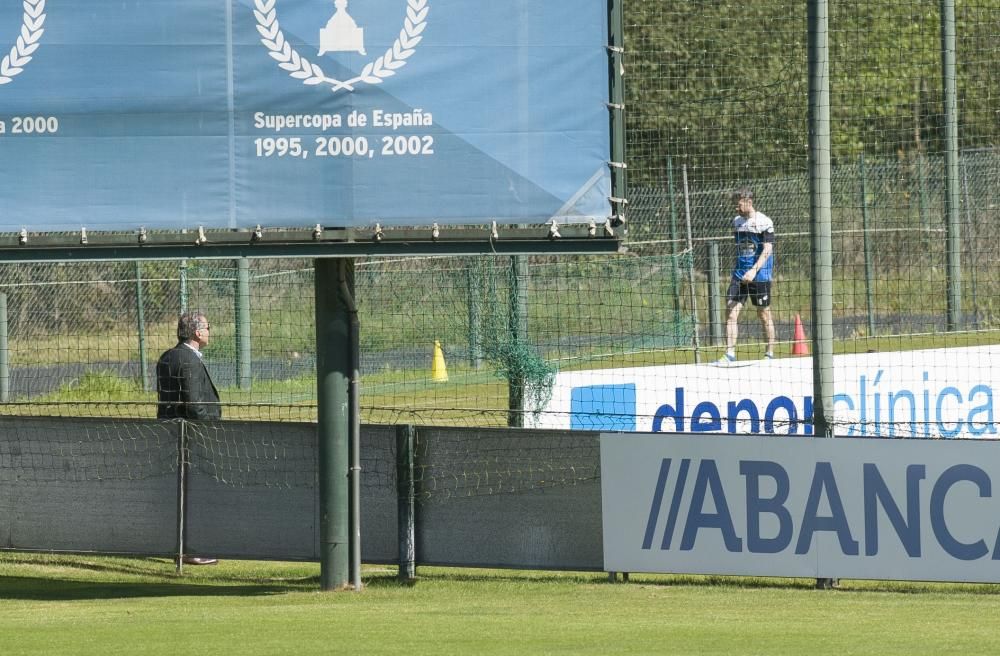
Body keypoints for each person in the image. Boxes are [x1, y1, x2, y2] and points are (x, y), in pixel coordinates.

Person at [156, 311, 221, 565]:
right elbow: (195, 405)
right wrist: (208, 429)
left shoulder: (167, 357)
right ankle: (189, 551)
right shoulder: (189, 361)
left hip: (170, 432)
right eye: (208, 326)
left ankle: (180, 547)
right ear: (196, 332)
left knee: (180, 491)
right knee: (192, 492)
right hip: (191, 436)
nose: (209, 331)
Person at [717, 188, 776, 363]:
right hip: (739, 275)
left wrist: (753, 270)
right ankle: (729, 354)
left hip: (759, 276)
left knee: (763, 314)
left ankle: (769, 354)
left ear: (748, 202)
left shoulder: (764, 222)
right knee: (730, 311)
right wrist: (742, 270)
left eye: (738, 204)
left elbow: (767, 250)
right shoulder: (736, 222)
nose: (736, 208)